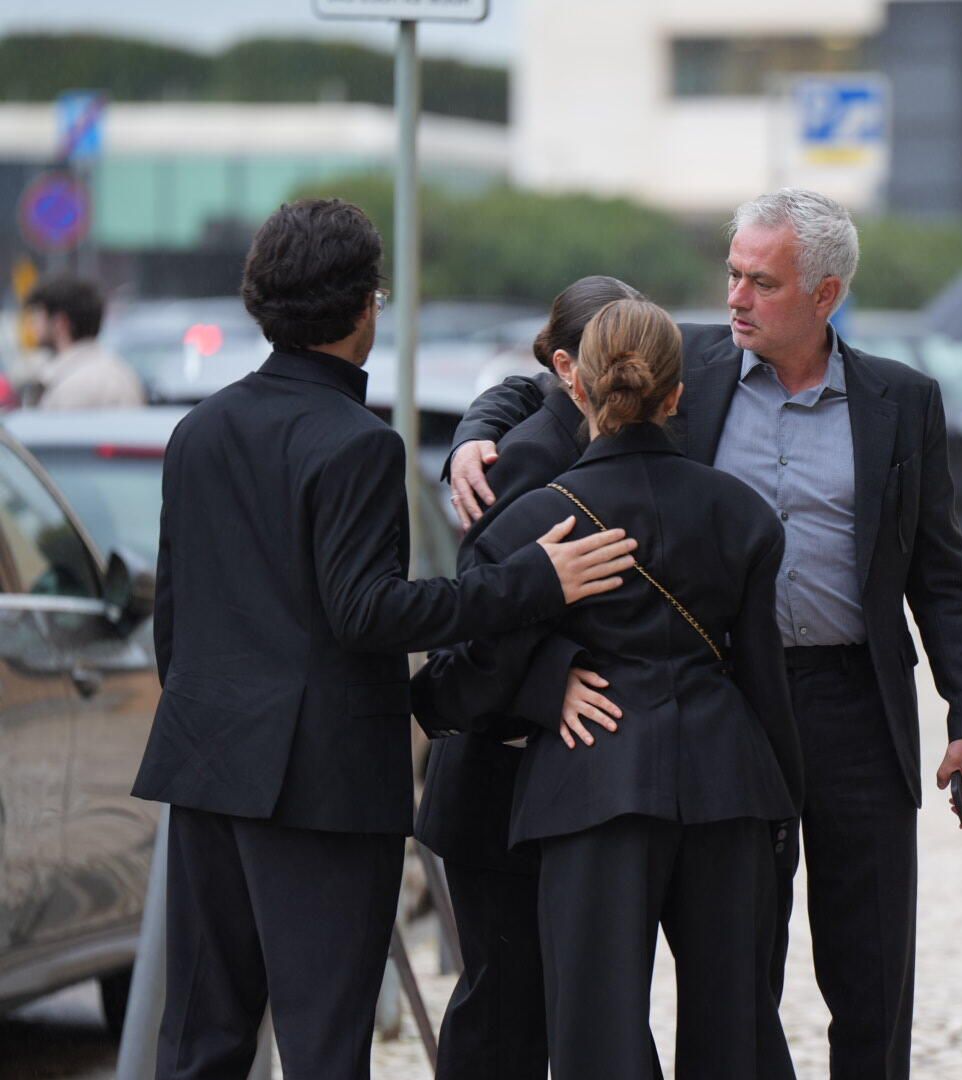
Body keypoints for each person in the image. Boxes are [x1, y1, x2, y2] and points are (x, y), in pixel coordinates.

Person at [443, 188, 962, 1080]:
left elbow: (941, 577)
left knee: (871, 972)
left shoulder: (902, 403)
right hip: (730, 711)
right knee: (739, 980)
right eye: (732, 274)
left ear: (826, 296)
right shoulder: (684, 372)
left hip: (859, 708)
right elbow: (547, 383)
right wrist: (474, 437)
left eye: (762, 282)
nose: (736, 297)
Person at [130, 198, 637, 1080]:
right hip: (323, 788)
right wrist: (532, 581)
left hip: (206, 762)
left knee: (201, 1039)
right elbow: (366, 612)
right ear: (367, 306)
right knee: (325, 1043)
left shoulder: (197, 428)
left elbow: (175, 619)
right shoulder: (357, 445)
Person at [417, 298, 802, 1079]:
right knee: (736, 1036)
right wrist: (784, 811)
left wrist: (476, 692)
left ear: (579, 388)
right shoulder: (744, 514)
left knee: (599, 1040)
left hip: (589, 788)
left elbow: (465, 684)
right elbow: (766, 680)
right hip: (729, 788)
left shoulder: (532, 522)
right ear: (677, 396)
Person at [412, 275, 643, 1080]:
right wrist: (549, 681)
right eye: (613, 352)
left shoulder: (620, 432)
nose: (633, 366)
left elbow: (515, 383)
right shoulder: (531, 460)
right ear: (572, 369)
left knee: (566, 1007)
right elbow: (476, 633)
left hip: (577, 781)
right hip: (498, 785)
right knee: (503, 1012)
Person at [21, 275, 146, 409]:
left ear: (60, 323)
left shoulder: (71, 387)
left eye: (38, 316)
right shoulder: (122, 372)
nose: (33, 325)